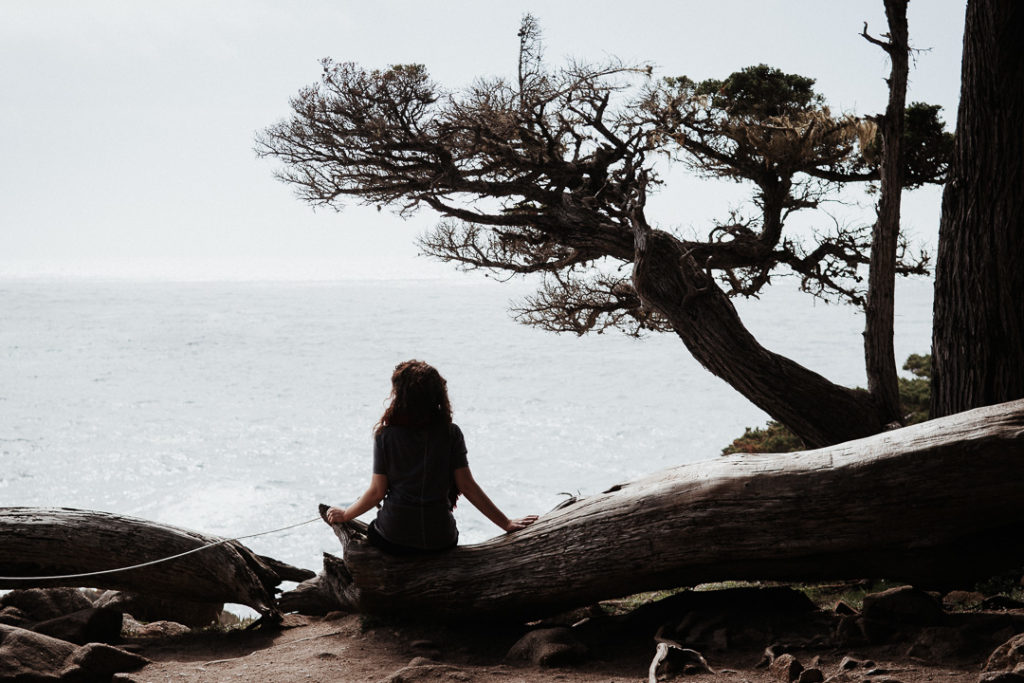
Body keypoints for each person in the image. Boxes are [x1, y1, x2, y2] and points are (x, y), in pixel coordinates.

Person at [326, 360, 538, 554]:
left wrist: (345, 515)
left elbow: (376, 492)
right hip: (440, 540)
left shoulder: (385, 436)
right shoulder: (451, 433)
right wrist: (506, 523)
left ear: (402, 397)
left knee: (375, 531)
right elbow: (467, 486)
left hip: (393, 537)